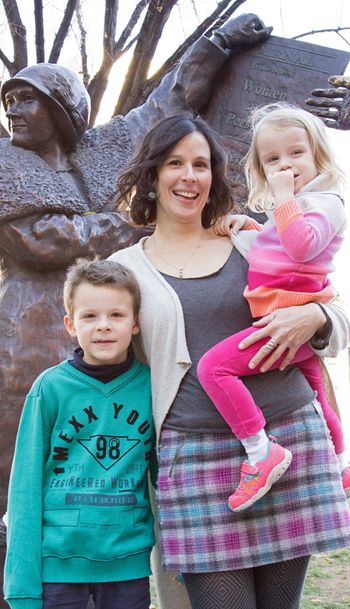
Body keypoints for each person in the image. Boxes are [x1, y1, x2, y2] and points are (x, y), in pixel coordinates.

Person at [0, 12, 271, 580]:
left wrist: (217, 42)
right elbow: (43, 239)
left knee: (103, 464)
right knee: (20, 462)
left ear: (61, 111)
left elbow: (170, 100)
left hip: (107, 335)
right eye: (10, 99)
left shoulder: (103, 150)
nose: (13, 111)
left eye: (27, 100)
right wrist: (133, 222)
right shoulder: (6, 168)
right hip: (24, 334)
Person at [109, 113, 350, 609]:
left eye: (202, 164)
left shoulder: (252, 237)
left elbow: (334, 309)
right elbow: (105, 362)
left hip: (288, 441)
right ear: (153, 175)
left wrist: (317, 317)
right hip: (192, 456)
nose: (190, 176)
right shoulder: (124, 269)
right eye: (175, 163)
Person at [196, 102, 350, 512]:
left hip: (285, 321)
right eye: (273, 159)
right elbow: (278, 248)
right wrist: (250, 227)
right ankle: (340, 463)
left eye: (296, 153)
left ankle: (260, 451)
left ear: (318, 153)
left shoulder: (327, 202)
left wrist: (282, 198)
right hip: (281, 317)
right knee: (317, 396)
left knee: (214, 368)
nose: (286, 165)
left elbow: (301, 244)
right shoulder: (296, 208)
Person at [3, 258, 156, 609]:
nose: (103, 326)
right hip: (57, 569)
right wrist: (22, 587)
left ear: (135, 323)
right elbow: (24, 487)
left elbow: (168, 477)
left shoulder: (151, 387)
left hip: (128, 566)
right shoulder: (51, 388)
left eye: (116, 315)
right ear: (71, 325)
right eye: (90, 316)